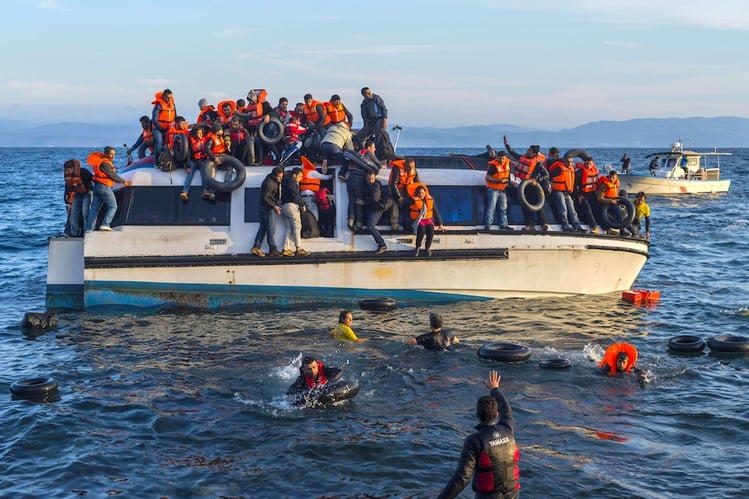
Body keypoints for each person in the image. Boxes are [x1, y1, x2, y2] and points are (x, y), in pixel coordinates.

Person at [437, 370, 520, 499]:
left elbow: (462, 478)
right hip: (513, 495)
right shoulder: (507, 429)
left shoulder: (474, 441)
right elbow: (506, 409)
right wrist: (495, 389)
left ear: (477, 415)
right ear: (497, 414)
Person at [503, 135, 550, 231]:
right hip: (524, 187)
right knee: (525, 205)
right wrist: (506, 145)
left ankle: (543, 223)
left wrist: (536, 180)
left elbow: (546, 175)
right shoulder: (522, 158)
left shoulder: (537, 163)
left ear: (533, 153)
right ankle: (530, 225)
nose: (527, 151)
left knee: (538, 205)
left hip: (535, 186)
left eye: (529, 150)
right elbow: (513, 153)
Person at [85, 146, 132, 232]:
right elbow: (112, 175)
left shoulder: (100, 162)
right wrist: (124, 182)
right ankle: (105, 224)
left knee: (94, 209)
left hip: (97, 186)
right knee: (113, 206)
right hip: (104, 187)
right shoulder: (105, 164)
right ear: (106, 154)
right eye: (111, 154)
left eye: (114, 154)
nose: (112, 156)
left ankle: (89, 229)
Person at [548, 153, 586, 232]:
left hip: (567, 192)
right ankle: (565, 226)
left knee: (572, 210)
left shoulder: (571, 169)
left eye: (571, 162)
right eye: (568, 161)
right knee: (563, 209)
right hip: (558, 191)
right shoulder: (559, 168)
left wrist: (575, 193)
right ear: (564, 161)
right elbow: (549, 176)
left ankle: (577, 226)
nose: (569, 163)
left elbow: (573, 183)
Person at [252, 166, 284, 257]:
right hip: (267, 208)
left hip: (264, 207)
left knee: (263, 228)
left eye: (282, 176)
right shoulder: (269, 183)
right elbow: (265, 197)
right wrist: (274, 206)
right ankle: (273, 249)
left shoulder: (271, 180)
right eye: (279, 177)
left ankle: (256, 247)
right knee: (271, 229)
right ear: (274, 176)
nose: (280, 179)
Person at [363, 171, 398, 254]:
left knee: (370, 227)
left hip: (377, 208)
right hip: (375, 207)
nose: (370, 180)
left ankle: (382, 244)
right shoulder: (370, 186)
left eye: (372, 179)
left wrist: (364, 202)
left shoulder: (375, 186)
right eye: (369, 179)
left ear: (374, 178)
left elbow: (375, 199)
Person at [408, 182, 445, 257]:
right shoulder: (412, 200)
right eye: (419, 193)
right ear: (417, 194)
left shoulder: (430, 200)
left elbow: (435, 211)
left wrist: (440, 224)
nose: (421, 194)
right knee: (421, 230)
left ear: (425, 192)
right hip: (419, 219)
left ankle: (427, 248)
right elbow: (406, 207)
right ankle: (417, 247)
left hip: (428, 219)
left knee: (431, 230)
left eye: (422, 193)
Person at [280, 167, 310, 257]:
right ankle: (298, 248)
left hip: (283, 206)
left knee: (289, 227)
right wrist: (302, 204)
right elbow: (295, 195)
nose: (300, 179)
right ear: (294, 175)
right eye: (300, 176)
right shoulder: (292, 182)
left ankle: (286, 249)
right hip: (291, 206)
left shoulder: (284, 181)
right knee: (297, 226)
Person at [63, 159, 94, 237]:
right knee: (74, 214)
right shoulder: (68, 175)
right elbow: (67, 187)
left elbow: (93, 179)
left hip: (87, 193)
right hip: (76, 195)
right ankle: (73, 233)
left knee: (85, 213)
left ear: (73, 168)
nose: (67, 171)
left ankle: (86, 233)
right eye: (66, 169)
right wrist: (66, 198)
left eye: (68, 169)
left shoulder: (83, 172)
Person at [484, 150, 513, 231]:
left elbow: (508, 175)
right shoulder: (493, 166)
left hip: (502, 190)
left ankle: (504, 225)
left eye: (503, 159)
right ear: (497, 158)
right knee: (491, 208)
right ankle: (488, 225)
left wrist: (510, 182)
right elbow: (487, 178)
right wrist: (499, 181)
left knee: (503, 208)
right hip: (493, 190)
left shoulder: (507, 164)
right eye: (500, 159)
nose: (502, 160)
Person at [389, 157, 420, 231]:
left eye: (412, 167)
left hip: (406, 188)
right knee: (395, 203)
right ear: (405, 165)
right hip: (395, 188)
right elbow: (393, 184)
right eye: (409, 167)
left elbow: (417, 182)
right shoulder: (397, 168)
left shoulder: (413, 169)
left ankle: (407, 224)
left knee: (409, 202)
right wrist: (398, 196)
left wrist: (419, 192)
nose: (410, 169)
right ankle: (394, 225)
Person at [181, 125, 208, 201]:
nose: (200, 135)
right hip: (194, 160)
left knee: (204, 174)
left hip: (202, 160)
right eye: (199, 133)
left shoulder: (205, 140)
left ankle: (205, 190)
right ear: (195, 134)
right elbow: (188, 154)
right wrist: (187, 166)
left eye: (201, 133)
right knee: (189, 174)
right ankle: (185, 191)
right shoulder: (191, 141)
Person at [574, 156, 600, 233]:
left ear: (593, 164)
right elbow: (574, 186)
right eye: (587, 164)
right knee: (587, 208)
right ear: (584, 163)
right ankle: (593, 226)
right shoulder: (580, 173)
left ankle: (605, 227)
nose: (588, 165)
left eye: (590, 164)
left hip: (592, 194)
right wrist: (578, 195)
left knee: (596, 208)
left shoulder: (595, 172)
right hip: (583, 195)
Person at [151, 89, 176, 168]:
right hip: (158, 128)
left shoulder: (173, 105)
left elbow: (175, 116)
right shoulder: (158, 106)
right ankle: (156, 162)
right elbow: (154, 120)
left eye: (170, 97)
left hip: (168, 129)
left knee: (167, 144)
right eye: (167, 97)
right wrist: (161, 129)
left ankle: (166, 160)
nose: (169, 99)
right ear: (163, 97)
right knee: (159, 141)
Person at [595, 170, 621, 234]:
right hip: (604, 204)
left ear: (616, 178)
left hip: (613, 203)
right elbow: (599, 198)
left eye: (613, 178)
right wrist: (610, 201)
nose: (611, 179)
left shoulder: (616, 184)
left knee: (619, 211)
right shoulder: (604, 185)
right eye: (610, 177)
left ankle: (620, 228)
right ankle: (607, 229)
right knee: (599, 213)